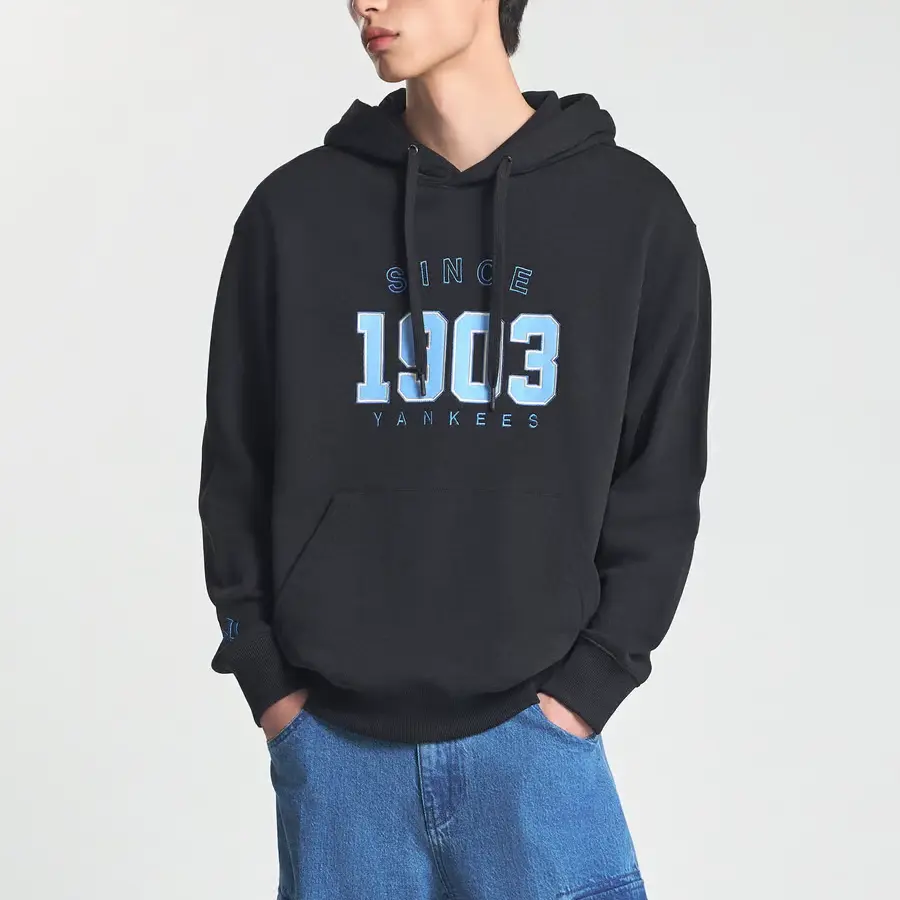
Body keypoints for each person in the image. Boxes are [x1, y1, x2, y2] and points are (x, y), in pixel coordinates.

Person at [197, 1, 711, 897]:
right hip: (337, 760)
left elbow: (659, 479)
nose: (364, 3)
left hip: (536, 750)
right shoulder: (294, 214)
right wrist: (270, 687)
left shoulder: (632, 215)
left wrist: (589, 688)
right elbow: (235, 471)